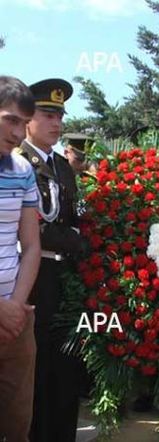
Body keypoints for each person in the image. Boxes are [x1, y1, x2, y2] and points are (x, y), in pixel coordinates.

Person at [16, 78, 85, 442]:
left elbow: (74, 218)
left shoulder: (62, 165)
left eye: (59, 116)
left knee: (65, 365)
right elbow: (33, 228)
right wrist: (74, 239)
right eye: (47, 115)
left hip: (64, 276)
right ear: (28, 118)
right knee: (34, 369)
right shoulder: (16, 162)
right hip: (31, 276)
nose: (56, 123)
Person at [0, 76, 41, 442]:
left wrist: (14, 307)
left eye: (24, 123)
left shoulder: (23, 171)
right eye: (10, 120)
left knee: (17, 424)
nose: (17, 133)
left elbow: (30, 246)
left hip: (16, 322)